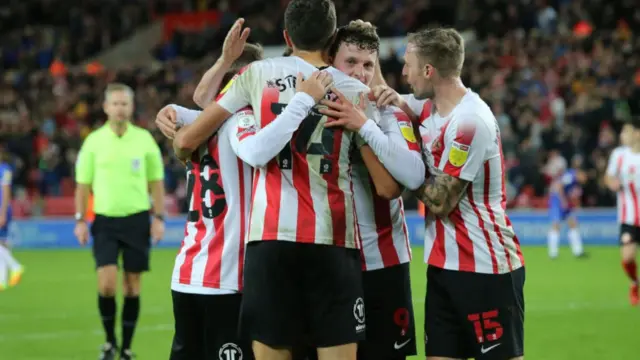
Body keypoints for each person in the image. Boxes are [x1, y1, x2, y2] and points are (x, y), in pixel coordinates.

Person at [172, 1, 389, 359]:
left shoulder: (255, 76)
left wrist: (177, 116)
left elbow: (190, 133)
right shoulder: (355, 91)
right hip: (332, 241)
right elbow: (387, 182)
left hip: (270, 244)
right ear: (333, 38)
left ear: (286, 35)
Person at [324, 28, 526, 360]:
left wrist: (380, 145)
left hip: (485, 266)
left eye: (408, 64)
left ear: (428, 71)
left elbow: (439, 201)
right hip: (443, 265)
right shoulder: (429, 107)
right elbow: (387, 96)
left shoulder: (470, 122)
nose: (402, 73)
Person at [156, 21, 262, 360]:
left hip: (188, 272)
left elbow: (195, 102)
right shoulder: (246, 122)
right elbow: (202, 99)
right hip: (228, 277)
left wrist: (221, 61)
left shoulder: (196, 121)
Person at [74, 83, 166, 360]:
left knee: (132, 286)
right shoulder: (93, 141)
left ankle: (126, 347)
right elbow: (82, 185)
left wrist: (158, 218)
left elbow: (156, 183)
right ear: (105, 107)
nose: (119, 108)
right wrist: (80, 220)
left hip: (137, 219)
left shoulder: (144, 140)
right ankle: (109, 341)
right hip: (104, 220)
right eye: (114, 103)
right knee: (107, 284)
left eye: (124, 103)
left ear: (131, 107)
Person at [605, 118, 640, 306]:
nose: (622, 136)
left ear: (637, 133)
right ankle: (635, 283)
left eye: (626, 132)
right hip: (628, 217)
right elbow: (609, 176)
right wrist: (613, 183)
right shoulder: (619, 155)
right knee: (627, 258)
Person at [547, 153, 587, 259]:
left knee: (573, 223)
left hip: (563, 201)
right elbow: (558, 186)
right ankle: (553, 253)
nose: (585, 179)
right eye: (584, 176)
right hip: (557, 201)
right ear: (580, 173)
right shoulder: (571, 175)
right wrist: (563, 201)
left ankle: (578, 251)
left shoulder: (575, 180)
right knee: (556, 225)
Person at [0, 145, 23, 291]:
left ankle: (15, 266)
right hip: (3, 210)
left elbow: (6, 191)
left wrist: (2, 213)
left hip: (2, 209)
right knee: (2, 244)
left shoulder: (4, 170)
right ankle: (2, 280)